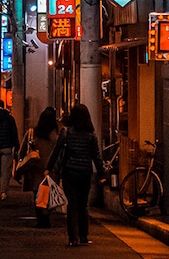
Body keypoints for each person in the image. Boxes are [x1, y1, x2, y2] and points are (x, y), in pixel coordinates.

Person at [49, 103, 104, 247]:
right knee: (83, 205)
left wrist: (48, 168)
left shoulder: (66, 132)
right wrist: (102, 174)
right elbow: (96, 157)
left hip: (69, 172)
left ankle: (73, 238)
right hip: (85, 172)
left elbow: (56, 150)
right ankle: (84, 236)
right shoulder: (91, 135)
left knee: (72, 205)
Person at [22, 106, 61, 228]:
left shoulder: (33, 133)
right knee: (48, 192)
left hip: (36, 167)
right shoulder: (55, 136)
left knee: (37, 193)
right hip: (50, 168)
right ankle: (46, 216)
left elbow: (22, 150)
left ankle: (41, 218)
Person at [0, 99, 20, 199]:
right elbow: (14, 133)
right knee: (5, 171)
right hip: (7, 147)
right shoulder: (9, 118)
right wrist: (16, 145)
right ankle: (3, 192)